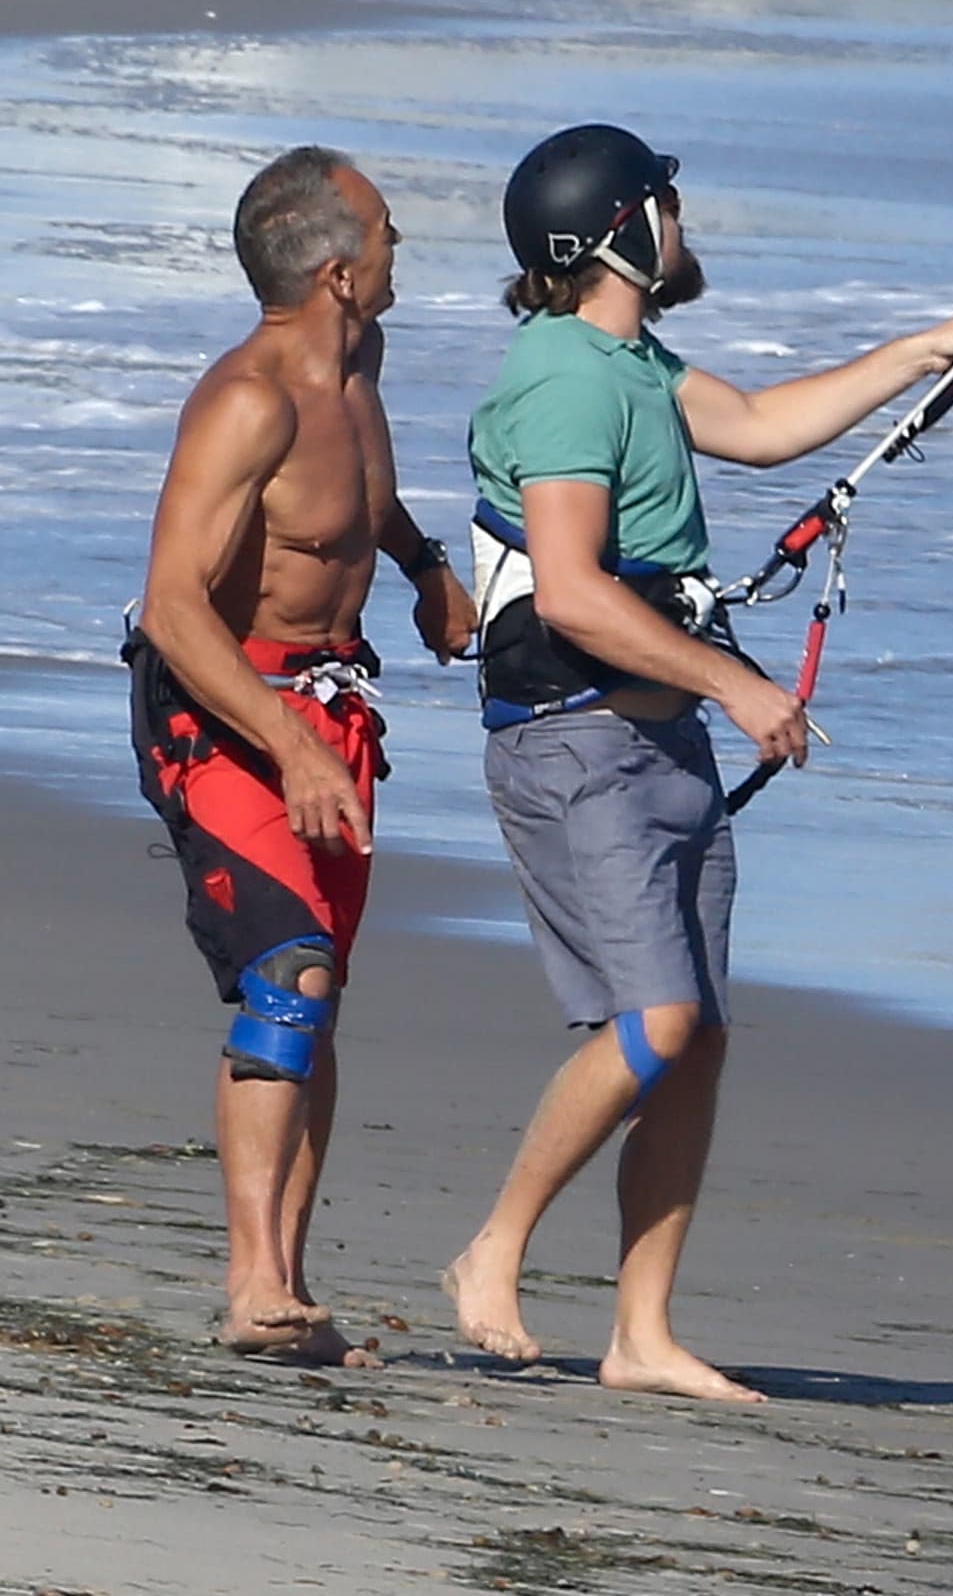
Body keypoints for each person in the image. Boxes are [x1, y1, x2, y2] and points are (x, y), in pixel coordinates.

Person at [444, 123, 953, 1401]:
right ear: (613, 235)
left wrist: (931, 347)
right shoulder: (564, 382)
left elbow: (756, 427)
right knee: (655, 1023)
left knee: (693, 1044)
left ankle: (640, 1337)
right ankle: (492, 1249)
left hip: (657, 737)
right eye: (666, 201)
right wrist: (741, 685)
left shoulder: (629, 357)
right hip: (575, 743)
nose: (682, 218)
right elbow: (577, 596)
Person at [126, 145, 474, 1366]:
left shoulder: (358, 362)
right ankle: (250, 1284)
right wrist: (287, 748)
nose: (397, 251)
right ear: (335, 271)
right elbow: (172, 606)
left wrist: (428, 567)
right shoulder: (246, 400)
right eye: (384, 234)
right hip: (217, 707)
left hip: (332, 706)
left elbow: (357, 501)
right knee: (290, 972)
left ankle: (293, 1287)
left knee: (317, 998)